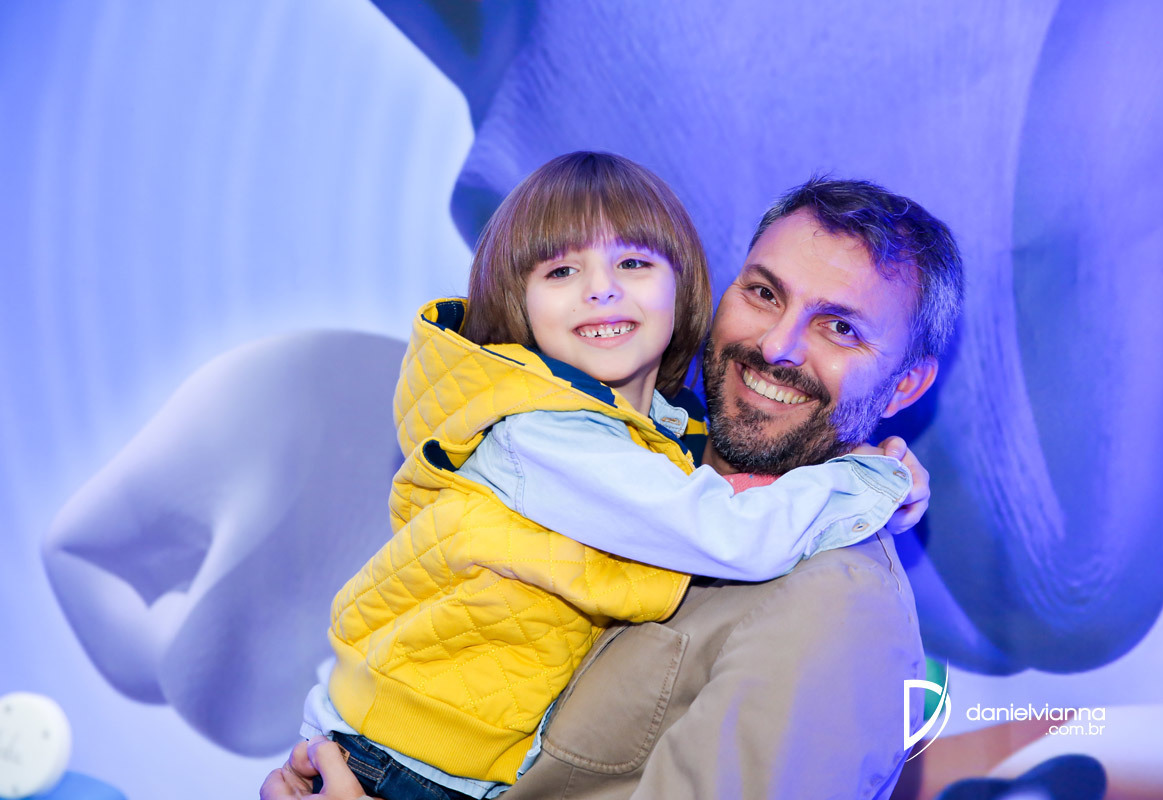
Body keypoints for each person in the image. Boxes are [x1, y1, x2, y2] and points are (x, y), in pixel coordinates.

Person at [266, 170, 953, 800]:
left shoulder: (841, 611)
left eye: (841, 328)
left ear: (907, 385)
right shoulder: (624, 453)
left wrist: (869, 483)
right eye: (764, 293)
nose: (777, 345)